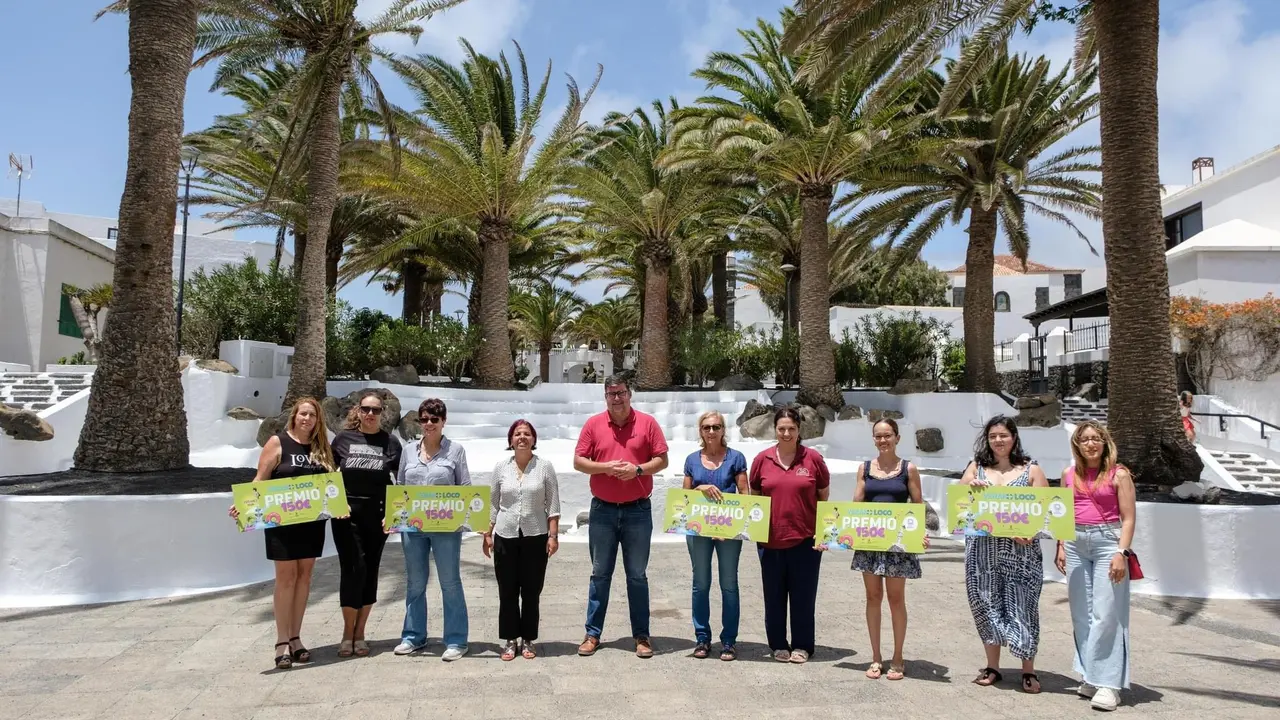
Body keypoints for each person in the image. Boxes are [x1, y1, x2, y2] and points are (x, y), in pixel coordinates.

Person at [229, 397, 335, 670]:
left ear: (318, 420)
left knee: (305, 578)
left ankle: (297, 637)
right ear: (294, 416)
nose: (307, 419)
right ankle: (281, 641)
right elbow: (259, 480)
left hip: (312, 523)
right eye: (303, 414)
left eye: (312, 415)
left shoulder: (321, 448)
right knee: (286, 579)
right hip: (283, 523)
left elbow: (331, 486)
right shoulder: (277, 443)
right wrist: (243, 505)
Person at [574, 373, 670, 659]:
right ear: (605, 396)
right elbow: (578, 461)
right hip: (602, 511)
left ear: (630, 394)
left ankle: (641, 636)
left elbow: (662, 459)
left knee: (637, 575)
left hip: (638, 511)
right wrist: (605, 468)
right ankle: (593, 634)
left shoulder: (648, 423)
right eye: (611, 394)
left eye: (622, 393)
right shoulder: (593, 424)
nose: (617, 398)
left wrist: (637, 470)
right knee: (599, 574)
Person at [1055, 421, 1137, 711]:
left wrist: (1121, 553)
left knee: (1107, 613)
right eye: (1085, 439)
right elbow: (1062, 513)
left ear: (1105, 443)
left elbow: (1128, 518)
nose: (1091, 444)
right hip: (1075, 542)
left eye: (1096, 439)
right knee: (1082, 614)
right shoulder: (1068, 474)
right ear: (1077, 444)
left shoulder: (1119, 474)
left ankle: (1110, 684)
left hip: (1107, 542)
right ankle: (1091, 673)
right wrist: (1062, 545)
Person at [963, 415, 1049, 694]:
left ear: (1014, 437)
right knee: (985, 604)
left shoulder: (1031, 469)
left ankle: (1028, 670)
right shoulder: (976, 467)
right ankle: (993, 666)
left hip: (1021, 552)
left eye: (1003, 435)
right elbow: (959, 497)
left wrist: (1032, 532)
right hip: (983, 552)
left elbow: (1045, 510)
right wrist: (970, 486)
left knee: (1024, 607)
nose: (998, 440)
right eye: (993, 436)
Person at [749, 406, 830, 664]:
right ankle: (777, 643)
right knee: (773, 597)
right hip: (770, 542)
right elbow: (756, 496)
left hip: (805, 541)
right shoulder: (762, 460)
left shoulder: (813, 459)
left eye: (791, 429)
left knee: (803, 597)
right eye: (781, 428)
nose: (786, 433)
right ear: (775, 429)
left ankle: (803, 645)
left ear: (799, 430)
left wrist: (822, 534)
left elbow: (823, 496)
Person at [852, 418, 930, 681]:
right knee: (872, 597)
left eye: (887, 435)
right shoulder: (864, 468)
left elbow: (918, 506)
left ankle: (897, 657)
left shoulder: (909, 469)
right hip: (870, 544)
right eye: (878, 436)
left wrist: (920, 535)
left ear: (897, 437)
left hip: (898, 544)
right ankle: (876, 657)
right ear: (873, 439)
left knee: (896, 599)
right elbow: (857, 505)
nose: (883, 440)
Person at [394, 398, 471, 661]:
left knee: (450, 583)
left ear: (443, 421)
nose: (428, 424)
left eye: (434, 419)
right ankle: (413, 636)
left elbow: (465, 489)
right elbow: (401, 485)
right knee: (415, 582)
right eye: (424, 419)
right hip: (413, 528)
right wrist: (394, 518)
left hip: (446, 528)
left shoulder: (456, 451)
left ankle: (457, 640)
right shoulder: (407, 451)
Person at [330, 391, 402, 658]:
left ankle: (360, 633)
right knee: (351, 569)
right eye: (366, 409)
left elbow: (401, 483)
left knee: (370, 569)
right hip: (345, 517)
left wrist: (395, 515)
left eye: (376, 410)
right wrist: (337, 504)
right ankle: (347, 633)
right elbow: (327, 476)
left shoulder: (391, 443)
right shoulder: (342, 440)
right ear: (357, 411)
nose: (371, 414)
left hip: (378, 517)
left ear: (382, 414)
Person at [483, 419, 562, 661]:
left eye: (527, 434)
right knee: (507, 590)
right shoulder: (500, 467)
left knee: (531, 590)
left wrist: (553, 535)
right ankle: (509, 639)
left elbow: (553, 503)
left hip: (535, 535)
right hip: (505, 536)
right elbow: (493, 503)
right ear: (510, 440)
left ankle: (528, 639)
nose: (522, 437)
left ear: (534, 440)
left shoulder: (544, 467)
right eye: (517, 434)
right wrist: (487, 533)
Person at [682, 410, 749, 661]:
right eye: (707, 427)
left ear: (724, 430)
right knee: (700, 584)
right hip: (698, 530)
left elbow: (745, 495)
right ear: (700, 431)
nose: (712, 431)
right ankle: (702, 638)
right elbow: (684, 498)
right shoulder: (691, 460)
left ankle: (729, 640)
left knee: (729, 584)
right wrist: (699, 487)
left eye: (717, 426)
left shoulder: (736, 458)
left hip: (728, 532)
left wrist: (730, 528)